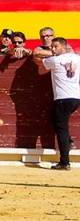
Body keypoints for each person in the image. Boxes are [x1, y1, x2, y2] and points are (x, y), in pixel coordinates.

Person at [36, 37, 79, 170]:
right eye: (52, 47)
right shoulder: (77, 58)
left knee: (61, 129)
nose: (53, 49)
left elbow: (38, 64)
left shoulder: (55, 60)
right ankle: (68, 141)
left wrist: (36, 54)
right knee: (54, 119)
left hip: (62, 98)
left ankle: (65, 162)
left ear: (64, 47)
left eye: (56, 47)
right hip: (75, 97)